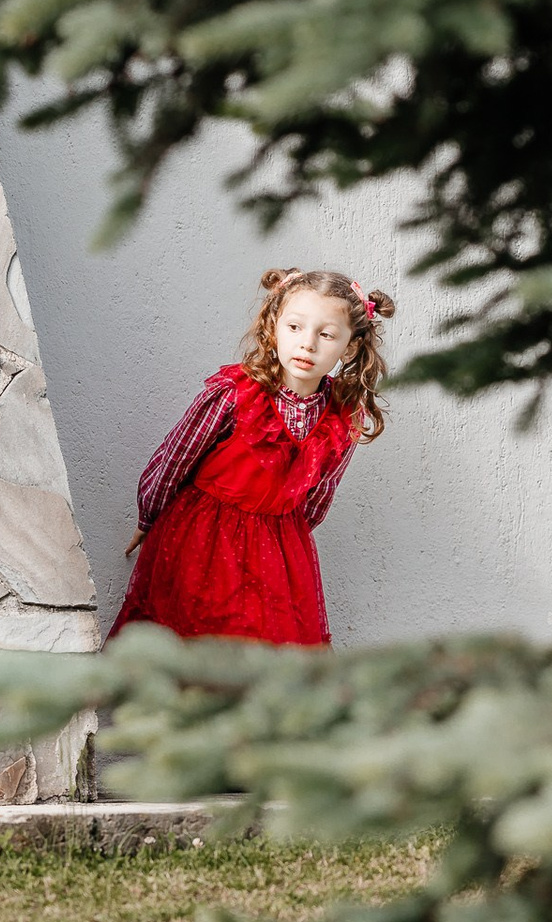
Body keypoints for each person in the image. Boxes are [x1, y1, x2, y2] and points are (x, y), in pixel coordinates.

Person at [110, 268, 396, 646]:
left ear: (350, 348)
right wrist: (148, 515)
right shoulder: (235, 393)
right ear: (274, 327)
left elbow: (318, 499)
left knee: (261, 646)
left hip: (276, 551)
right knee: (195, 635)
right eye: (295, 327)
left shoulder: (342, 418)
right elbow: (176, 457)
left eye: (326, 335)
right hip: (202, 537)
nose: (307, 344)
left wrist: (281, 546)